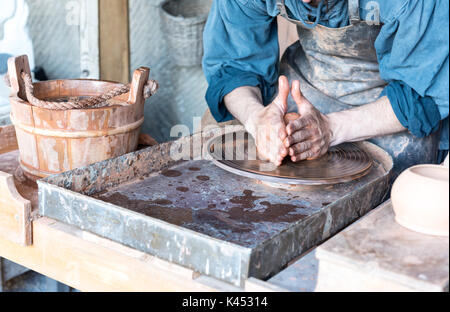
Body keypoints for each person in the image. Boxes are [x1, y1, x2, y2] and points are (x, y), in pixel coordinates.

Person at [202, 0, 449, 176]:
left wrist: (330, 129)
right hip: (307, 84)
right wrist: (256, 119)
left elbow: (425, 92)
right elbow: (233, 65)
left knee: (401, 192)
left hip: (398, 107)